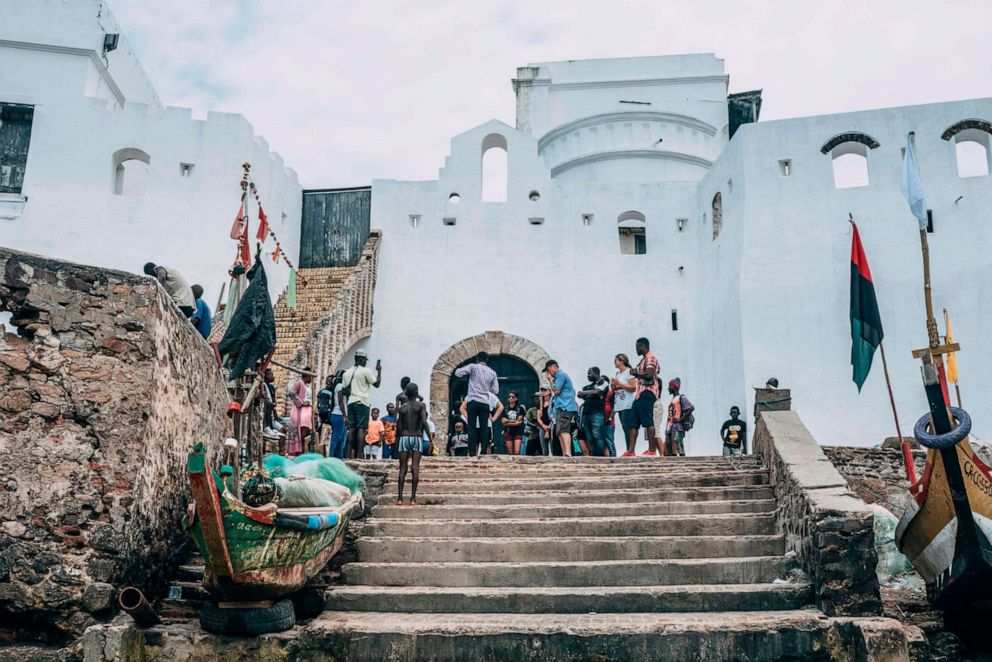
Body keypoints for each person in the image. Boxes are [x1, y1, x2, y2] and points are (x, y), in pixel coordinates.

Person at [454, 352, 499, 456]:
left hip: (473, 401)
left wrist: (458, 367)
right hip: (484, 402)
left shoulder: (473, 367)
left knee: (472, 427)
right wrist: (486, 388)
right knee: (484, 428)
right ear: (486, 361)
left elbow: (458, 373)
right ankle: (483, 451)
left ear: (477, 359)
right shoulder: (492, 372)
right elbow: (496, 390)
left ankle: (472, 452)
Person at [340, 349, 381, 459]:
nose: (365, 362)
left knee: (352, 429)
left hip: (351, 402)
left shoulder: (346, 373)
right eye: (365, 360)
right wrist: (379, 371)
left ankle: (348, 455)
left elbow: (344, 391)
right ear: (361, 359)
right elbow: (376, 384)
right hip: (362, 402)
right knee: (361, 429)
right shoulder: (365, 371)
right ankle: (359, 455)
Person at [396, 383, 428, 505]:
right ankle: (413, 498)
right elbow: (424, 422)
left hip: (404, 437)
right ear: (417, 392)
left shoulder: (402, 408)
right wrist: (430, 438)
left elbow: (399, 427)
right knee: (415, 467)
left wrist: (398, 440)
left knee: (402, 468)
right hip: (417, 437)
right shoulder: (421, 405)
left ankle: (399, 498)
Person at [628, 338, 660, 457]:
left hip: (648, 392)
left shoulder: (650, 357)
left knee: (648, 421)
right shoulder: (642, 360)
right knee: (633, 422)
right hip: (639, 394)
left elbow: (649, 374)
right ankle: (631, 451)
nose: (636, 349)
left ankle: (651, 450)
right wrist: (633, 370)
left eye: (638, 347)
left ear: (643, 346)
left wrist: (636, 373)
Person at [543, 359, 577, 457]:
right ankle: (564, 453)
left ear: (553, 367)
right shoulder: (558, 377)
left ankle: (567, 453)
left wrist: (550, 381)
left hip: (565, 406)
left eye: (548, 369)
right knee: (559, 431)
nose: (548, 372)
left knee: (564, 430)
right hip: (561, 407)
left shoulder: (561, 375)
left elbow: (556, 391)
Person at [578, 367, 609, 456]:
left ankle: (600, 457)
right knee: (590, 438)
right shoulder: (588, 386)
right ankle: (594, 456)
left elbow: (597, 392)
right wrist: (593, 392)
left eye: (589, 373)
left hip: (597, 414)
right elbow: (579, 394)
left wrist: (589, 393)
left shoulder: (604, 383)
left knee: (597, 436)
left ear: (596, 373)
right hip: (586, 415)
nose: (587, 376)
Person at [610, 354, 637, 457]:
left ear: (622, 361)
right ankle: (628, 450)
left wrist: (619, 383)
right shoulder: (617, 373)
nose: (614, 362)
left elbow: (633, 387)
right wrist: (613, 385)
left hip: (628, 403)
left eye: (616, 360)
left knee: (628, 427)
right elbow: (616, 389)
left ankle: (630, 450)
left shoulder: (629, 372)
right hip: (619, 404)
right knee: (624, 427)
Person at [664, 378, 694, 457]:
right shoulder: (673, 399)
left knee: (678, 448)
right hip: (669, 428)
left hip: (677, 427)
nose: (668, 388)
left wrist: (681, 419)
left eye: (670, 386)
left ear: (674, 387)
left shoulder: (681, 397)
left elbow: (691, 408)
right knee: (669, 450)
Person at [287, 369, 314, 457]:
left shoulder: (307, 386)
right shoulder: (299, 383)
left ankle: (302, 450)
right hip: (300, 411)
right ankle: (299, 452)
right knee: (302, 432)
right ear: (307, 376)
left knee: (306, 432)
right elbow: (291, 393)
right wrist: (301, 403)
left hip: (307, 411)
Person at [327, 370, 348, 459]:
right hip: (338, 414)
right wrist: (345, 416)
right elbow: (340, 402)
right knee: (336, 437)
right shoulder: (339, 386)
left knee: (341, 438)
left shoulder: (339, 386)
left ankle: (340, 456)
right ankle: (331, 456)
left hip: (338, 414)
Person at [500, 391, 526, 456]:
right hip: (508, 432)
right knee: (510, 453)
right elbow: (503, 422)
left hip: (518, 432)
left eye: (513, 397)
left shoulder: (520, 409)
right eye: (509, 397)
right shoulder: (505, 409)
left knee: (517, 452)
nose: (511, 398)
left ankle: (517, 466)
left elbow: (519, 422)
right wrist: (514, 421)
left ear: (516, 398)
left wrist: (508, 421)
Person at [316, 375, 335, 457]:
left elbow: (318, 405)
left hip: (322, 416)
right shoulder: (327, 393)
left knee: (323, 435)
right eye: (328, 381)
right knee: (326, 436)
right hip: (326, 416)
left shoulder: (322, 391)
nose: (329, 383)